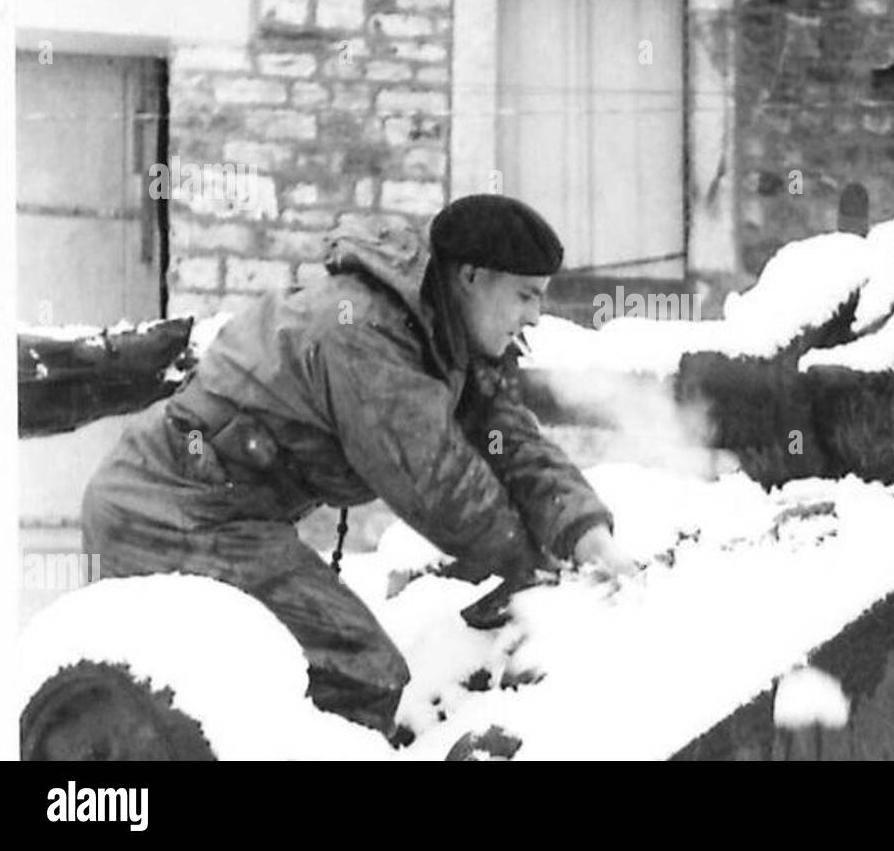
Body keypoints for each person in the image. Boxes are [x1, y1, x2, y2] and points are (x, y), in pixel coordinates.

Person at [80, 194, 635, 738]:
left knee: (298, 677)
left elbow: (507, 439)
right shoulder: (367, 330)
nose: (536, 315)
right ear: (472, 277)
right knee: (356, 670)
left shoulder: (440, 332)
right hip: (167, 509)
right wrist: (532, 572)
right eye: (525, 295)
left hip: (220, 513)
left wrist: (586, 534)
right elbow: (436, 483)